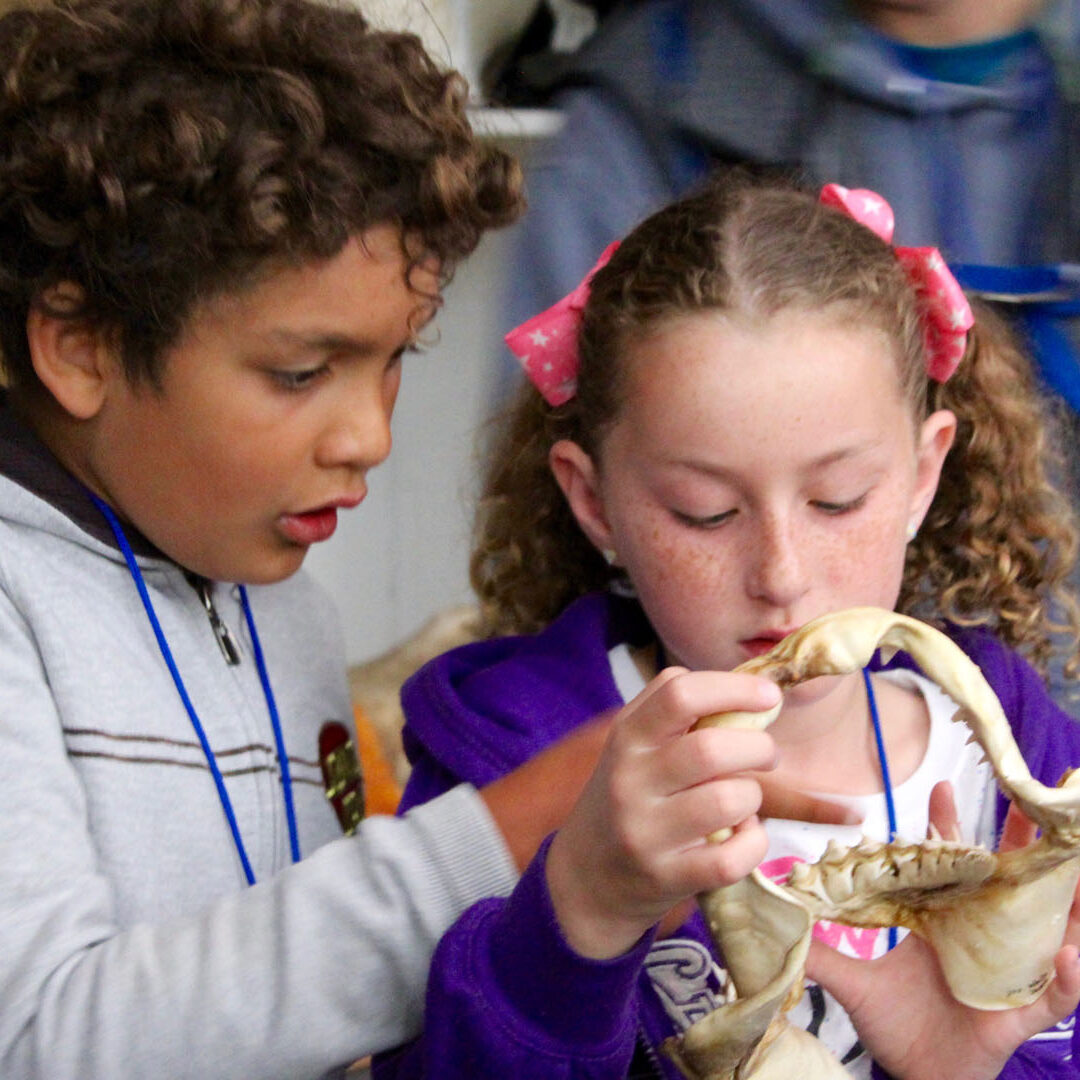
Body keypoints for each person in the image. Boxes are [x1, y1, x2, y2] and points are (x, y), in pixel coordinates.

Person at [374, 173, 1080, 1078]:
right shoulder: (513, 768)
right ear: (595, 504)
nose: (781, 575)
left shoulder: (1020, 772)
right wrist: (579, 915)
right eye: (705, 512)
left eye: (837, 499)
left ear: (922, 475)